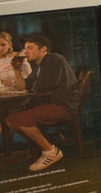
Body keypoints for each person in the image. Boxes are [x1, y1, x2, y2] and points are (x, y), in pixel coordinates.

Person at [5, 35, 80, 171]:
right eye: (25, 48)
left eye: (30, 48)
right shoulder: (40, 66)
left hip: (63, 106)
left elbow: (40, 87)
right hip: (52, 104)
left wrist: (32, 85)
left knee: (16, 120)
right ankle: (47, 146)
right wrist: (16, 69)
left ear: (43, 49)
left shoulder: (54, 59)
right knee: (10, 120)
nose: (26, 52)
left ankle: (50, 151)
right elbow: (25, 86)